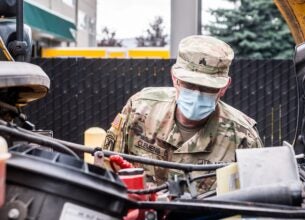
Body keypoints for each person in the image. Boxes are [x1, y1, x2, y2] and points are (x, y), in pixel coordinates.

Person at [103, 35, 263, 188]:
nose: (197, 94)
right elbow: (106, 169)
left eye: (208, 87)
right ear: (175, 78)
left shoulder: (243, 137)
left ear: (224, 88)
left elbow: (259, 202)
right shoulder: (139, 109)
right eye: (189, 84)